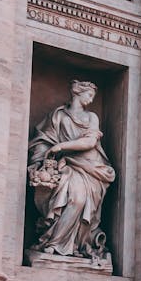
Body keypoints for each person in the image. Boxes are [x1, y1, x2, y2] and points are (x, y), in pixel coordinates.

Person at [27, 80, 115, 261]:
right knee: (72, 198)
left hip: (91, 167)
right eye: (89, 95)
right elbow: (43, 140)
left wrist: (60, 147)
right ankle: (54, 243)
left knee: (79, 200)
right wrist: (40, 160)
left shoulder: (92, 117)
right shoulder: (58, 116)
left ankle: (68, 244)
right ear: (77, 93)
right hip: (67, 165)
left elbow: (90, 142)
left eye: (93, 97)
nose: (90, 101)